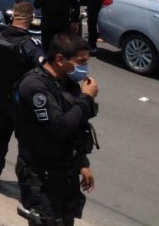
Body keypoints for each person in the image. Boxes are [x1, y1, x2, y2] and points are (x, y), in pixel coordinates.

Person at [14, 33, 99, 226]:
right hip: (41, 176)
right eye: (81, 61)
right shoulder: (35, 86)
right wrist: (86, 99)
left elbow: (75, 129)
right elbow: (59, 127)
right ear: (60, 59)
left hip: (66, 172)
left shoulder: (68, 84)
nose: (84, 67)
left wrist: (82, 164)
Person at [0, 0, 45, 196]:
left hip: (1, 95)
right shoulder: (30, 45)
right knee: (26, 146)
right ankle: (27, 188)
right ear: (30, 19)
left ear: (13, 15)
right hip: (23, 102)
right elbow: (43, 72)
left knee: (0, 139)